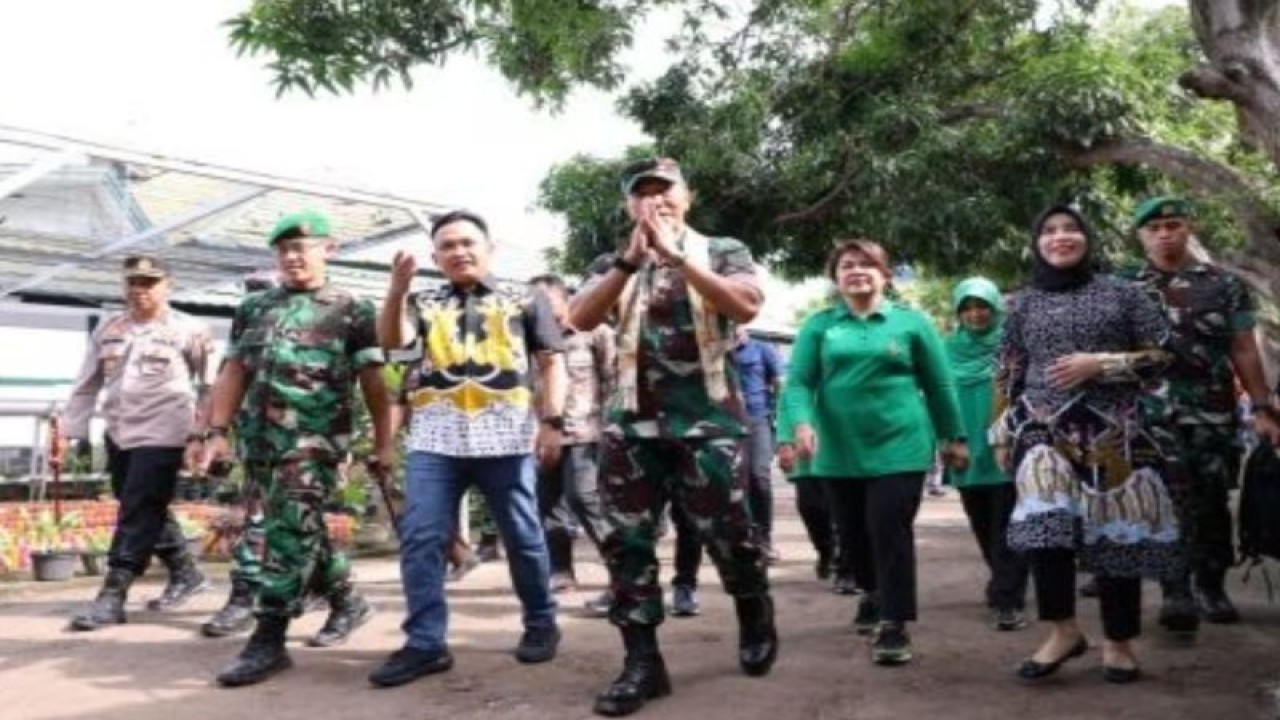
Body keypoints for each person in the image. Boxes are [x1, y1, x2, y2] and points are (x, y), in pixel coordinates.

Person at [569, 157, 775, 717]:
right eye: (643, 193)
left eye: (666, 190)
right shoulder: (611, 261)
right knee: (627, 544)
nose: (655, 200)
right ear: (629, 205)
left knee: (729, 534)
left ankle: (753, 608)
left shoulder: (722, 250)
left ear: (688, 197)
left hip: (709, 422)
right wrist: (628, 263)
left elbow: (746, 304)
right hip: (631, 426)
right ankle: (642, 663)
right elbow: (579, 318)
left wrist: (680, 259)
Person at [370, 209, 566, 688]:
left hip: (506, 438)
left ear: (489, 249)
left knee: (522, 535)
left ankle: (541, 621)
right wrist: (396, 289)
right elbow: (393, 345)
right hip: (435, 440)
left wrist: (552, 422)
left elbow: (551, 362)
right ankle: (425, 644)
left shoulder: (526, 299)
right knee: (421, 538)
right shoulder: (423, 301)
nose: (458, 252)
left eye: (467, 242)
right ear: (436, 256)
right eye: (447, 246)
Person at [201, 210, 393, 687]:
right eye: (283, 250)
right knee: (299, 526)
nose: (292, 257)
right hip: (260, 442)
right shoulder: (254, 307)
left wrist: (383, 443)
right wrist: (216, 431)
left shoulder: (351, 308)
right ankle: (348, 601)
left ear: (328, 249)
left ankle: (269, 637)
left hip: (315, 441)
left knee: (285, 534)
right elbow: (234, 371)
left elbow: (374, 381)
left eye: (301, 248)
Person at [997, 204, 1181, 684]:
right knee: (1045, 531)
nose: (1060, 237)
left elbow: (1165, 354)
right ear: (1037, 243)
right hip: (1040, 432)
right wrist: (1000, 432)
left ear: (1087, 239)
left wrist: (1103, 364)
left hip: (1114, 430)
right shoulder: (1022, 303)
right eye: (1049, 231)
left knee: (1116, 535)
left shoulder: (1124, 293)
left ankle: (1118, 642)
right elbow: (1008, 367)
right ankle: (1063, 631)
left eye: (1071, 229)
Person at [784, 239, 967, 666]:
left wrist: (953, 436)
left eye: (866, 264)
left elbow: (939, 384)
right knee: (852, 535)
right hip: (838, 450)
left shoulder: (912, 323)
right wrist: (802, 425)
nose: (856, 271)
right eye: (846, 265)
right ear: (835, 278)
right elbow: (799, 383)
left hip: (900, 445)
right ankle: (872, 591)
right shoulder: (820, 326)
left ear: (885, 275)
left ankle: (894, 622)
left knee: (890, 531)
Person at [1121, 196, 1280, 630]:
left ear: (1188, 228)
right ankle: (1175, 590)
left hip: (1211, 413)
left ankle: (1211, 586)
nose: (1164, 234)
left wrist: (1262, 408)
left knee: (1211, 500)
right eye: (1154, 228)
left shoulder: (1224, 285)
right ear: (1141, 236)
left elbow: (1244, 349)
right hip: (1146, 415)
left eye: (1173, 225)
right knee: (1161, 501)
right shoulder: (1123, 286)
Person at [58, 255, 214, 631]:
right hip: (119, 431)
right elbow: (86, 383)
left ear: (168, 286)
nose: (139, 289)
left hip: (165, 432)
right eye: (133, 282)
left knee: (138, 507)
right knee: (143, 504)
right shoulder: (109, 328)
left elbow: (211, 387)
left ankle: (113, 594)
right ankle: (186, 573)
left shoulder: (190, 329)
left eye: (149, 282)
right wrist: (71, 431)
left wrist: (204, 435)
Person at [943, 277, 1028, 631]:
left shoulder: (1014, 345)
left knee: (1008, 522)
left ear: (995, 309)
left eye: (982, 307)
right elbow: (938, 396)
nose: (975, 314)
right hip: (964, 446)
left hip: (1006, 445)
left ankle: (1007, 597)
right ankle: (1005, 581)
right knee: (980, 522)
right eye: (967, 308)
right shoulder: (947, 349)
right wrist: (949, 440)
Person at [529, 273, 616, 611]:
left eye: (546, 302)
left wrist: (612, 430)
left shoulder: (595, 332)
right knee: (547, 504)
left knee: (584, 499)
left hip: (586, 432)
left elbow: (613, 381)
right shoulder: (529, 338)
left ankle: (623, 572)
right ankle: (561, 571)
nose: (540, 309)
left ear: (564, 299)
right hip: (542, 435)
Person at [732, 326, 786, 560]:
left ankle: (764, 538)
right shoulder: (712, 349)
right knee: (731, 482)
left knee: (758, 476)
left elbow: (781, 385)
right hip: (723, 423)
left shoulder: (762, 348)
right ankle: (738, 540)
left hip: (757, 420)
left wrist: (784, 424)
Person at [775, 402, 837, 582]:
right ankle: (826, 549)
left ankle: (847, 566)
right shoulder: (797, 384)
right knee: (810, 506)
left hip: (841, 444)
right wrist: (785, 442)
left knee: (843, 508)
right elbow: (788, 402)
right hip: (805, 448)